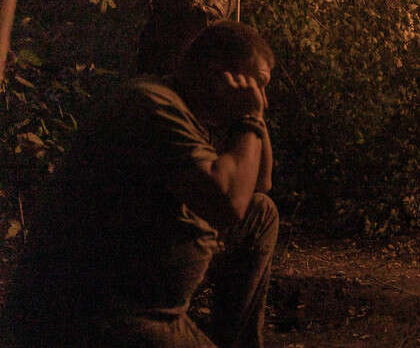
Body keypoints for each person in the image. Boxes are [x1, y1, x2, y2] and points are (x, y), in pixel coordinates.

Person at [5, 21, 278, 347]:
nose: (260, 98)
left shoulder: (191, 113)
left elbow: (259, 185)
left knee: (261, 214)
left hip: (150, 304)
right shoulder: (152, 105)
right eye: (256, 85)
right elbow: (227, 204)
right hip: (99, 311)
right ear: (217, 72)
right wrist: (250, 119)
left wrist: (253, 118)